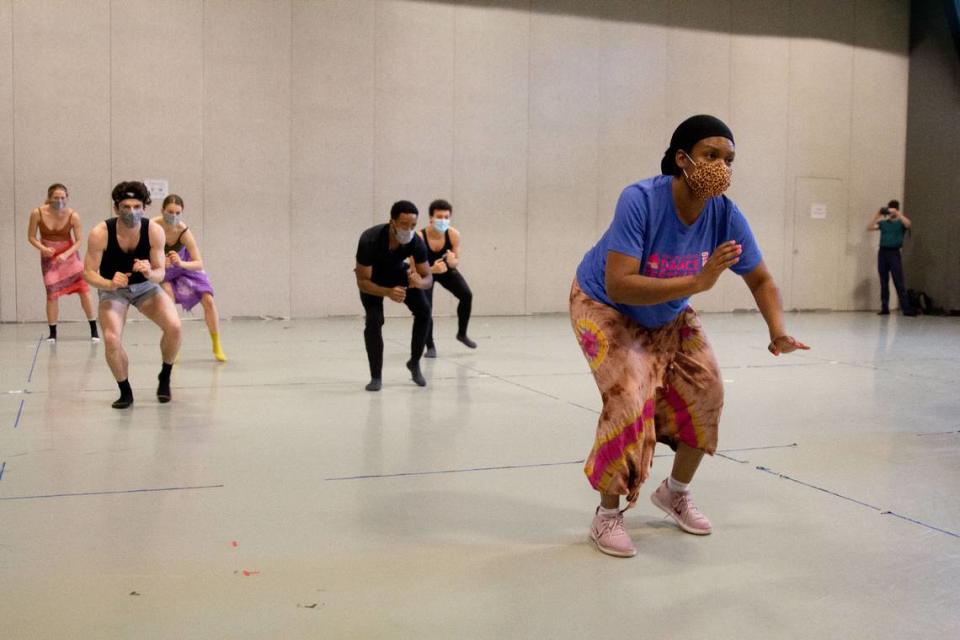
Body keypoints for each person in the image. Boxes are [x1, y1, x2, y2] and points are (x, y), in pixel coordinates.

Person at [570, 115, 809, 558]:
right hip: (606, 305)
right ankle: (606, 516)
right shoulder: (639, 200)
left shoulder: (726, 216)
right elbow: (620, 282)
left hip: (669, 311)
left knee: (708, 390)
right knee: (628, 398)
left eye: (729, 159)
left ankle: (674, 491)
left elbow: (760, 279)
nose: (721, 166)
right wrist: (697, 283)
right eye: (710, 155)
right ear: (683, 159)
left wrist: (778, 332)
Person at [83, 181, 182, 408]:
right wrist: (109, 282)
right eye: (126, 207)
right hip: (113, 291)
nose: (132, 212)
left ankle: (165, 374)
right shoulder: (101, 233)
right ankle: (125, 390)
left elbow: (160, 273)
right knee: (111, 339)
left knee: (175, 326)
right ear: (117, 208)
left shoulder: (154, 231)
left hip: (145, 288)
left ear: (144, 208)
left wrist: (149, 271)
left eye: (137, 206)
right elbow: (88, 273)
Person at [354, 200, 433, 391]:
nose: (409, 229)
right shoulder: (369, 240)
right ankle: (376, 377)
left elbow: (428, 277)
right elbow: (362, 282)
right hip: (373, 279)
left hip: (398, 272)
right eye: (404, 225)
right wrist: (388, 292)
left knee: (424, 311)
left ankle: (414, 363)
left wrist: (419, 282)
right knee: (374, 321)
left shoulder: (415, 241)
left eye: (413, 226)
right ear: (392, 223)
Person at [153, 194, 227, 361]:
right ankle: (174, 344)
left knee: (208, 299)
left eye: (177, 212)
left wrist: (180, 263)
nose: (173, 216)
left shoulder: (183, 231)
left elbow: (199, 263)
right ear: (162, 210)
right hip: (164, 271)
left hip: (184, 266)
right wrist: (157, 260)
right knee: (168, 302)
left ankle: (216, 344)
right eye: (170, 211)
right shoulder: (152, 226)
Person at [26, 183, 99, 343]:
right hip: (49, 255)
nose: (59, 201)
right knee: (52, 292)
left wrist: (66, 254)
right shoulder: (37, 213)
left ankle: (94, 328)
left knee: (83, 288)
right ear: (49, 198)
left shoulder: (73, 215)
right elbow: (31, 236)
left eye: (63, 198)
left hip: (69, 255)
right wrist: (42, 248)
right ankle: (52, 332)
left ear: (67, 198)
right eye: (56, 198)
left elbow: (79, 240)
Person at [419, 199, 476, 358]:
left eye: (446, 217)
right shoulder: (420, 237)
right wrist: (431, 269)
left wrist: (452, 262)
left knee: (466, 295)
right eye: (439, 217)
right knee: (426, 308)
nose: (443, 220)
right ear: (431, 218)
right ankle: (430, 345)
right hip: (426, 271)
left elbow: (456, 260)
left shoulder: (453, 234)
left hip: (445, 270)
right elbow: (414, 268)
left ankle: (462, 334)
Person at [867, 200, 916, 316]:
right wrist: (877, 214)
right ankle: (885, 307)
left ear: (897, 209)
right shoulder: (883, 223)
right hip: (883, 253)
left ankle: (906, 308)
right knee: (884, 281)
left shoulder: (900, 223)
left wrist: (898, 214)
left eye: (892, 209)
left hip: (894, 253)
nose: (890, 211)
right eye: (889, 209)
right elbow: (869, 227)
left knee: (898, 281)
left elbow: (909, 224)